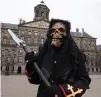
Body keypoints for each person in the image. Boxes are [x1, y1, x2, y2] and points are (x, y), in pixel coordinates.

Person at [25, 19, 91, 97]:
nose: (55, 33)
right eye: (52, 30)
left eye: (61, 30)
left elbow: (84, 81)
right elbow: (35, 80)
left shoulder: (76, 54)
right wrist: (30, 68)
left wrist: (61, 90)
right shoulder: (43, 53)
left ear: (67, 34)